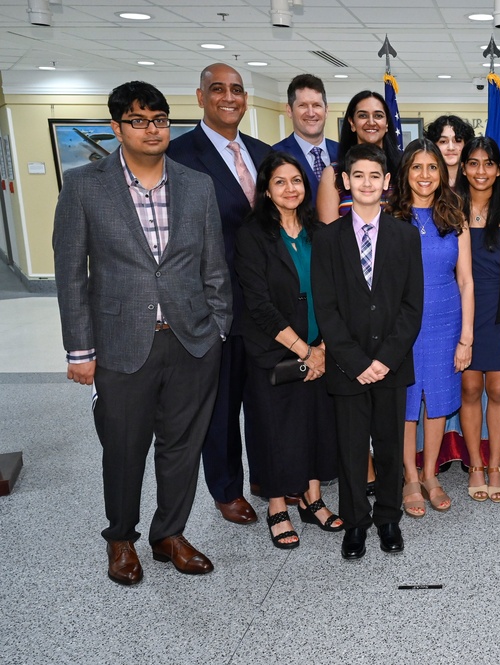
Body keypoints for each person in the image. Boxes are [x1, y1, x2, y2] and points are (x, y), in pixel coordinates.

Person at [53, 81, 231, 585]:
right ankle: (122, 539)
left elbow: (213, 266)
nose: (151, 129)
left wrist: (217, 327)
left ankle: (168, 533)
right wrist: (80, 350)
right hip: (120, 345)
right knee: (124, 448)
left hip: (191, 340)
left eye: (159, 120)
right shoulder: (85, 186)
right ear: (116, 128)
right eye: (138, 120)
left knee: (181, 446)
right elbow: (71, 274)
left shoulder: (195, 185)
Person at [167, 63, 272, 526]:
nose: (229, 97)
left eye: (236, 90)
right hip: (217, 305)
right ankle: (226, 488)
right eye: (217, 89)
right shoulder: (178, 156)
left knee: (268, 396)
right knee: (223, 402)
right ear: (200, 96)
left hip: (269, 301)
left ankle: (269, 476)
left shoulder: (263, 154)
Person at [312, 143, 423, 559]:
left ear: (388, 183)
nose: (366, 183)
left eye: (374, 176)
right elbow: (326, 308)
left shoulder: (405, 236)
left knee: (391, 446)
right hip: (347, 368)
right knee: (352, 449)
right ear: (345, 182)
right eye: (357, 176)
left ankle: (388, 517)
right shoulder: (327, 240)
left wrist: (384, 361)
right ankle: (356, 522)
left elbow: (413, 306)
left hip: (391, 365)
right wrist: (357, 362)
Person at [234, 152, 343, 550]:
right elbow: (258, 304)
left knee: (315, 425)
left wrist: (324, 347)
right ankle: (278, 507)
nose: (290, 188)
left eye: (296, 180)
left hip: (320, 346)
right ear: (266, 189)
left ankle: (312, 499)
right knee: (274, 431)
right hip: (274, 351)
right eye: (280, 182)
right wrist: (304, 351)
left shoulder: (319, 232)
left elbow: (334, 292)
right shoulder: (252, 235)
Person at [387, 139, 473, 518]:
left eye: (432, 167)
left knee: (437, 402)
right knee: (406, 405)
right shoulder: (390, 217)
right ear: (405, 172)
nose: (425, 175)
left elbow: (467, 281)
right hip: (402, 324)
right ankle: (408, 477)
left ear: (442, 171)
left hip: (444, 320)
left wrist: (466, 337)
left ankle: (430, 473)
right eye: (417, 167)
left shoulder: (455, 215)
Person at [455, 136, 500, 503]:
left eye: (488, 163)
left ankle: (496, 465)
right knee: (469, 389)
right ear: (464, 168)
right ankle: (475, 466)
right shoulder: (449, 209)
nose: (480, 170)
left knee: (498, 389)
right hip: (462, 313)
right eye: (473, 162)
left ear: (499, 169)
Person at [316, 90, 401, 222]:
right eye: (363, 116)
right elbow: (328, 236)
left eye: (378, 116)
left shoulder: (403, 170)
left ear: (387, 123)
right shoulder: (333, 174)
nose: (371, 122)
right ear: (352, 123)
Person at [272, 74, 339, 205]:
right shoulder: (275, 155)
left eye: (316, 105)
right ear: (289, 110)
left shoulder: (344, 152)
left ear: (326, 110)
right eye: (302, 105)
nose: (311, 113)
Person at [425, 115, 475, 189]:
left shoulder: (476, 180)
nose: (451, 148)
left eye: (457, 141)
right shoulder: (426, 181)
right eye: (443, 141)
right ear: (433, 145)